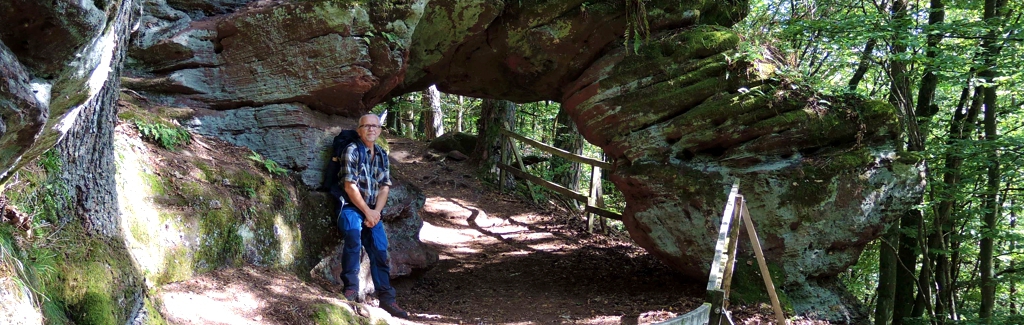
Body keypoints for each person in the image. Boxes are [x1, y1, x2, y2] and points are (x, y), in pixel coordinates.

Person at [337, 113, 409, 319]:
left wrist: (376, 212)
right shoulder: (351, 150)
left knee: (380, 248)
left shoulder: (381, 154)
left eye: (375, 126)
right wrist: (367, 211)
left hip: (373, 209)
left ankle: (387, 298)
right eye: (366, 126)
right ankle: (351, 289)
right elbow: (349, 186)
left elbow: (384, 186)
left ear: (379, 130)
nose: (371, 129)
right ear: (359, 130)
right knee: (352, 236)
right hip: (351, 206)